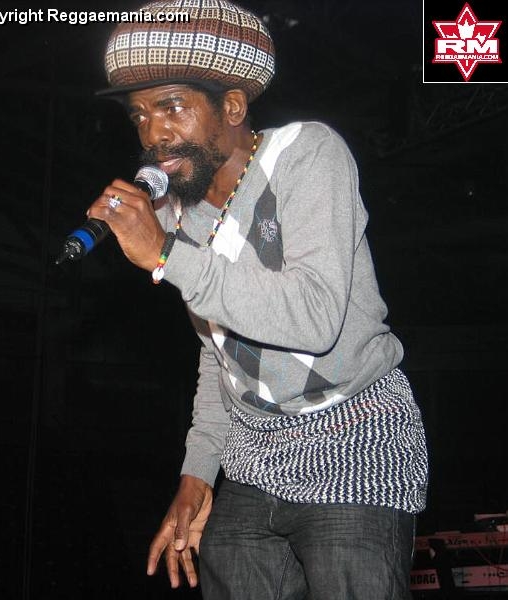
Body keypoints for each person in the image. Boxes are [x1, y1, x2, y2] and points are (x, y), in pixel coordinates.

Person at [88, 1, 428, 598]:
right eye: (140, 115)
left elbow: (314, 318)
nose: (153, 133)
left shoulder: (307, 153)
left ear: (233, 106)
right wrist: (198, 472)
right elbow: (221, 352)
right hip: (253, 456)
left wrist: (167, 255)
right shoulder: (176, 212)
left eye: (172, 106)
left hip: (353, 433)